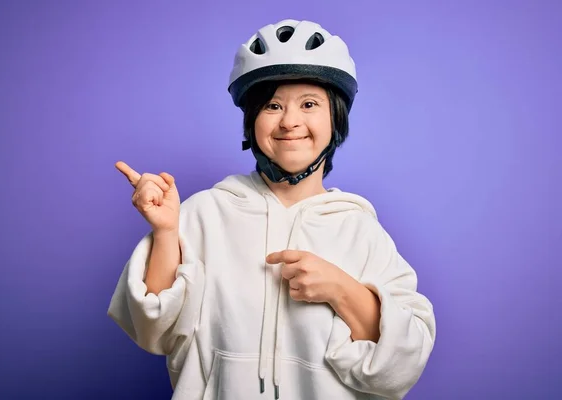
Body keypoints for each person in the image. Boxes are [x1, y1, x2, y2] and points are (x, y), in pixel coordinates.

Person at [108, 19, 436, 400]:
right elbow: (152, 332)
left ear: (336, 121)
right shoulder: (202, 214)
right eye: (272, 105)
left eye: (310, 104)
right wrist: (166, 232)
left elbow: (403, 366)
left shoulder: (361, 230)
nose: (290, 121)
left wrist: (342, 289)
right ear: (252, 121)